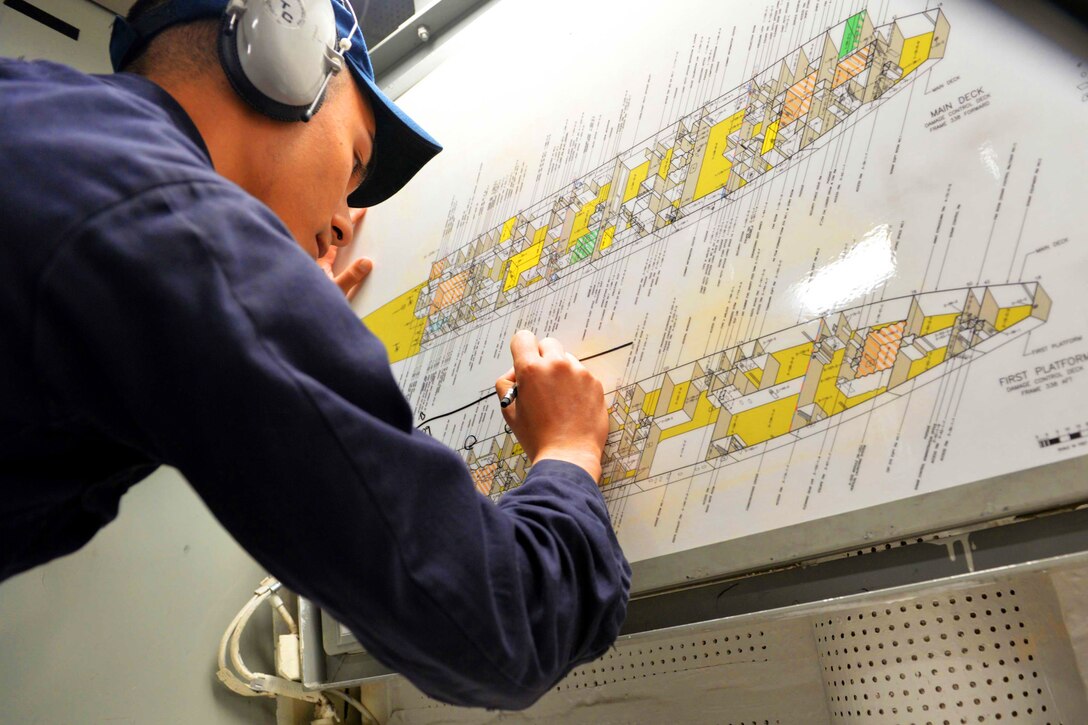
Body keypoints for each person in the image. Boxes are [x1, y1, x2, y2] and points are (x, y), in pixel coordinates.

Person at [0, 0, 630, 710]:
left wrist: (264, 314)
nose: (340, 221)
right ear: (288, 57)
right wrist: (571, 450)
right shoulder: (182, 230)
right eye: (356, 159)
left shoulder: (51, 121)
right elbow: (502, 629)